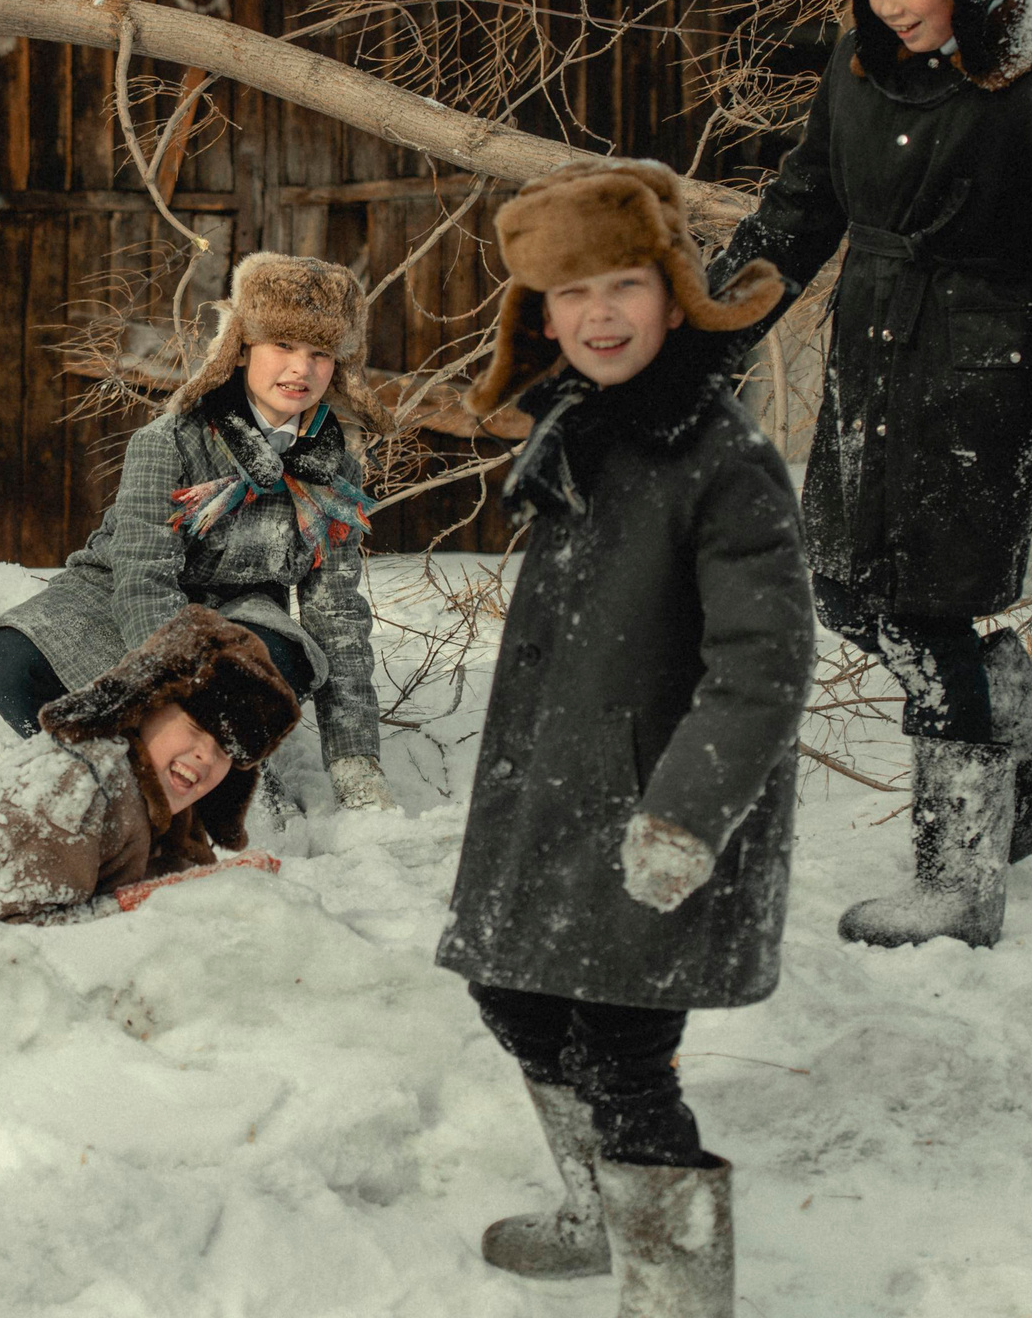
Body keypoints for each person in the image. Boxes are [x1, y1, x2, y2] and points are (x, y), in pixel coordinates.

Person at [708, 0, 1032, 950]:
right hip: (871, 369)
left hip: (978, 391)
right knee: (850, 591)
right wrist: (708, 335)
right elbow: (800, 210)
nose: (889, 8)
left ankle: (956, 873)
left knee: (925, 609)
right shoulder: (856, 74)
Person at [441, 159, 814, 1317]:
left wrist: (688, 812)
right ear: (539, 316)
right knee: (511, 992)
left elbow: (762, 659)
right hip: (555, 795)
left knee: (623, 1054)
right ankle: (601, 1213)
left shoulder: (718, 454)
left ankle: (676, 1290)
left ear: (670, 292)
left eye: (621, 286)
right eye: (570, 295)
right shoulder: (582, 430)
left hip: (656, 811)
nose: (597, 316)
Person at [0, 253, 396, 812]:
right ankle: (110, 770)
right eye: (283, 346)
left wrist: (355, 760)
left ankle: (229, 785)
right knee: (12, 664)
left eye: (319, 353)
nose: (301, 369)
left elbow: (337, 615)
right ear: (244, 345)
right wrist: (171, 693)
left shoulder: (335, 470)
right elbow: (144, 576)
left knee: (271, 662)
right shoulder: (171, 438)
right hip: (119, 598)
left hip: (239, 614)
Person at [0, 606, 299, 924]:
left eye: (225, 751)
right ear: (146, 703)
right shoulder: (69, 788)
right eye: (193, 727)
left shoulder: (168, 806)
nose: (206, 755)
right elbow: (12, 932)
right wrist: (159, 900)